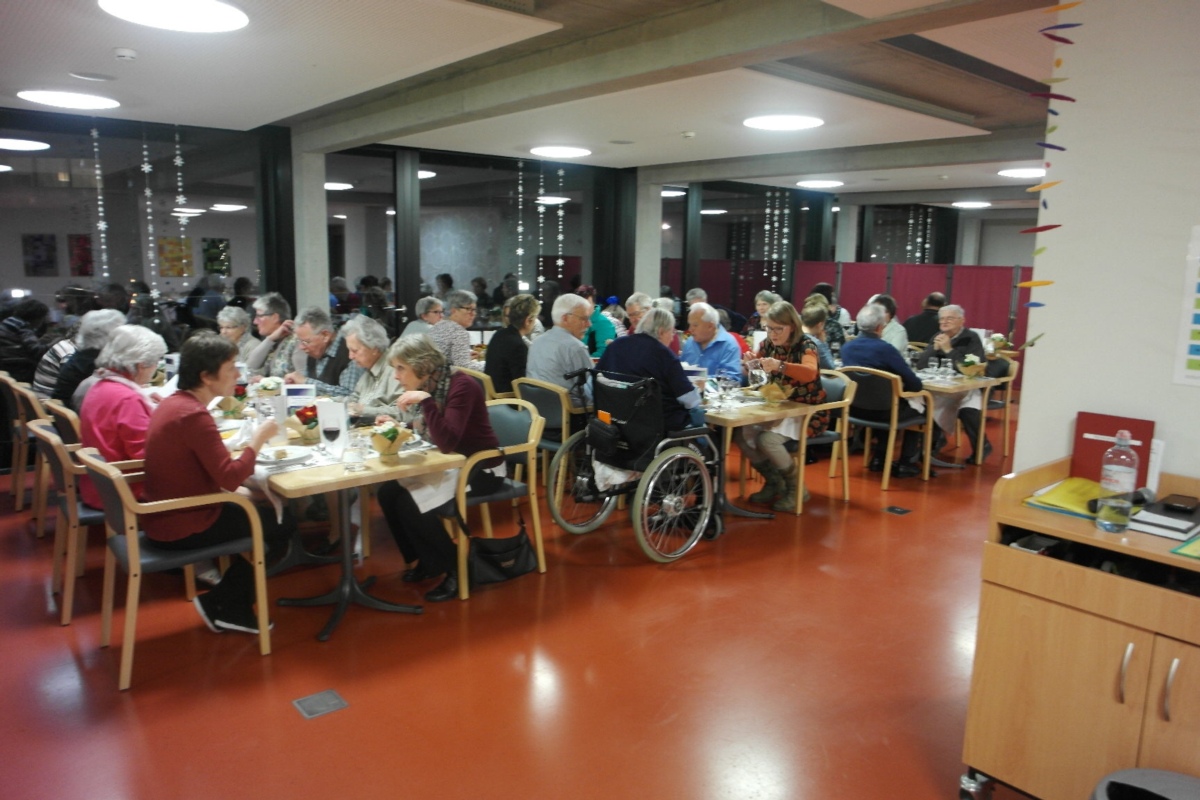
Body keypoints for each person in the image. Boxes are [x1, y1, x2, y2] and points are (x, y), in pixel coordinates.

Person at [143, 332, 286, 634]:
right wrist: (258, 439)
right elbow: (231, 478)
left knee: (261, 511)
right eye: (231, 367)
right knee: (280, 523)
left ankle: (229, 603)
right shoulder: (193, 416)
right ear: (206, 376)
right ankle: (225, 605)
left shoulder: (174, 404)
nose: (238, 375)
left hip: (164, 515)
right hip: (183, 523)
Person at [375, 335, 504, 602]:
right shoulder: (435, 382)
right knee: (388, 493)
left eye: (401, 368)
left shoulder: (462, 386)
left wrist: (425, 400)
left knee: (409, 504)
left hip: (482, 468)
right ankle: (427, 561)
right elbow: (435, 428)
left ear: (421, 366)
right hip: (454, 463)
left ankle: (458, 570)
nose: (396, 376)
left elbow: (446, 441)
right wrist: (402, 425)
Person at [734, 301, 828, 512]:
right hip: (778, 407)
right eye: (769, 328)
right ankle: (774, 482)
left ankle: (797, 489)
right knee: (741, 436)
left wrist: (781, 366)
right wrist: (751, 364)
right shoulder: (767, 344)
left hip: (808, 411)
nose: (773, 333)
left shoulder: (806, 345)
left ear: (792, 326)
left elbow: (810, 373)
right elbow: (757, 375)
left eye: (778, 329)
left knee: (767, 440)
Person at [78, 325, 168, 509]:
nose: (156, 369)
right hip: (126, 491)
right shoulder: (128, 399)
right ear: (141, 366)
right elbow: (149, 456)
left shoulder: (99, 386)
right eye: (156, 363)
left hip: (99, 485)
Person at [840, 303, 926, 478]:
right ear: (880, 327)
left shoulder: (846, 348)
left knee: (886, 400)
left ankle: (880, 458)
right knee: (923, 406)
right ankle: (906, 461)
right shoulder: (886, 350)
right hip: (884, 411)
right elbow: (915, 385)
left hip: (853, 408)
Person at [597, 307, 704, 431]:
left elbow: (596, 378)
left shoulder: (615, 345)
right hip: (656, 424)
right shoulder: (664, 355)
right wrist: (698, 390)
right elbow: (690, 401)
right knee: (698, 417)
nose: (672, 338)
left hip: (615, 420)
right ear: (661, 332)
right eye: (672, 332)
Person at [915, 304, 991, 461]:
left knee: (968, 408)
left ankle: (982, 446)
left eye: (949, 318)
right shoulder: (937, 336)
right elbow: (921, 365)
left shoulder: (971, 338)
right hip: (940, 386)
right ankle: (933, 443)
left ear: (961, 320)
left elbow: (972, 368)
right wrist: (933, 349)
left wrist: (949, 350)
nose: (944, 322)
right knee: (925, 401)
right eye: (941, 319)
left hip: (966, 386)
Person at [526, 292, 594, 407]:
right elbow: (592, 390)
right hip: (571, 412)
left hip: (536, 411)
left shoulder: (536, 343)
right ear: (565, 318)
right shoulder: (575, 347)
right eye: (584, 318)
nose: (589, 324)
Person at [52, 309, 126, 408]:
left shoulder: (84, 355)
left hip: (66, 411)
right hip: (78, 413)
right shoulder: (96, 362)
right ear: (111, 335)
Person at [285, 306, 364, 397]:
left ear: (325, 335)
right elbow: (308, 384)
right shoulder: (315, 351)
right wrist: (297, 384)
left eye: (306, 342)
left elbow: (349, 394)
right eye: (300, 341)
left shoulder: (349, 352)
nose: (301, 347)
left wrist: (306, 382)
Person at [343, 315, 404, 423]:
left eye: (355, 351)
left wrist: (364, 410)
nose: (350, 356)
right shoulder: (370, 368)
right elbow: (355, 398)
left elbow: (401, 412)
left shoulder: (394, 370)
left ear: (374, 348)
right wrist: (330, 401)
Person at [485, 293, 539, 394]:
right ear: (528, 320)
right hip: (507, 399)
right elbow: (522, 385)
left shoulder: (499, 334)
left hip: (493, 394)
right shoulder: (518, 346)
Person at [245, 292, 302, 379]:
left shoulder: (297, 341)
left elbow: (302, 380)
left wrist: (265, 382)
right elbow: (251, 365)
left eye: (259, 316)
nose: (255, 322)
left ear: (275, 317)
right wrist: (270, 339)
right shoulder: (273, 341)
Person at [682, 302, 742, 381]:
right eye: (689, 325)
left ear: (710, 326)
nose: (690, 329)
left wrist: (700, 377)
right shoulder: (689, 342)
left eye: (695, 325)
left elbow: (732, 380)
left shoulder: (728, 344)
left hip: (718, 389)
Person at [0, 298, 51, 383]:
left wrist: (39, 341)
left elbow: (19, 342)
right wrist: (56, 342)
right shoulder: (24, 328)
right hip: (18, 369)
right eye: (43, 318)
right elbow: (38, 352)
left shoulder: (9, 322)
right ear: (36, 317)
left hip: (4, 365)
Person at [427, 289, 481, 368]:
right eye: (469, 309)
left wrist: (464, 354)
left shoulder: (438, 325)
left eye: (474, 310)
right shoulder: (459, 332)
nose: (473, 314)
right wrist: (489, 365)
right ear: (454, 310)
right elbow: (464, 367)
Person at [575, 285, 616, 358]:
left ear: (594, 303)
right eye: (580, 305)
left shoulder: (603, 323)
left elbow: (603, 353)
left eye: (587, 304)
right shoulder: (574, 321)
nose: (583, 307)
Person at [800, 303, 836, 370]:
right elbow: (831, 367)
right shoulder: (816, 343)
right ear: (820, 324)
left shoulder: (791, 335)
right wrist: (823, 342)